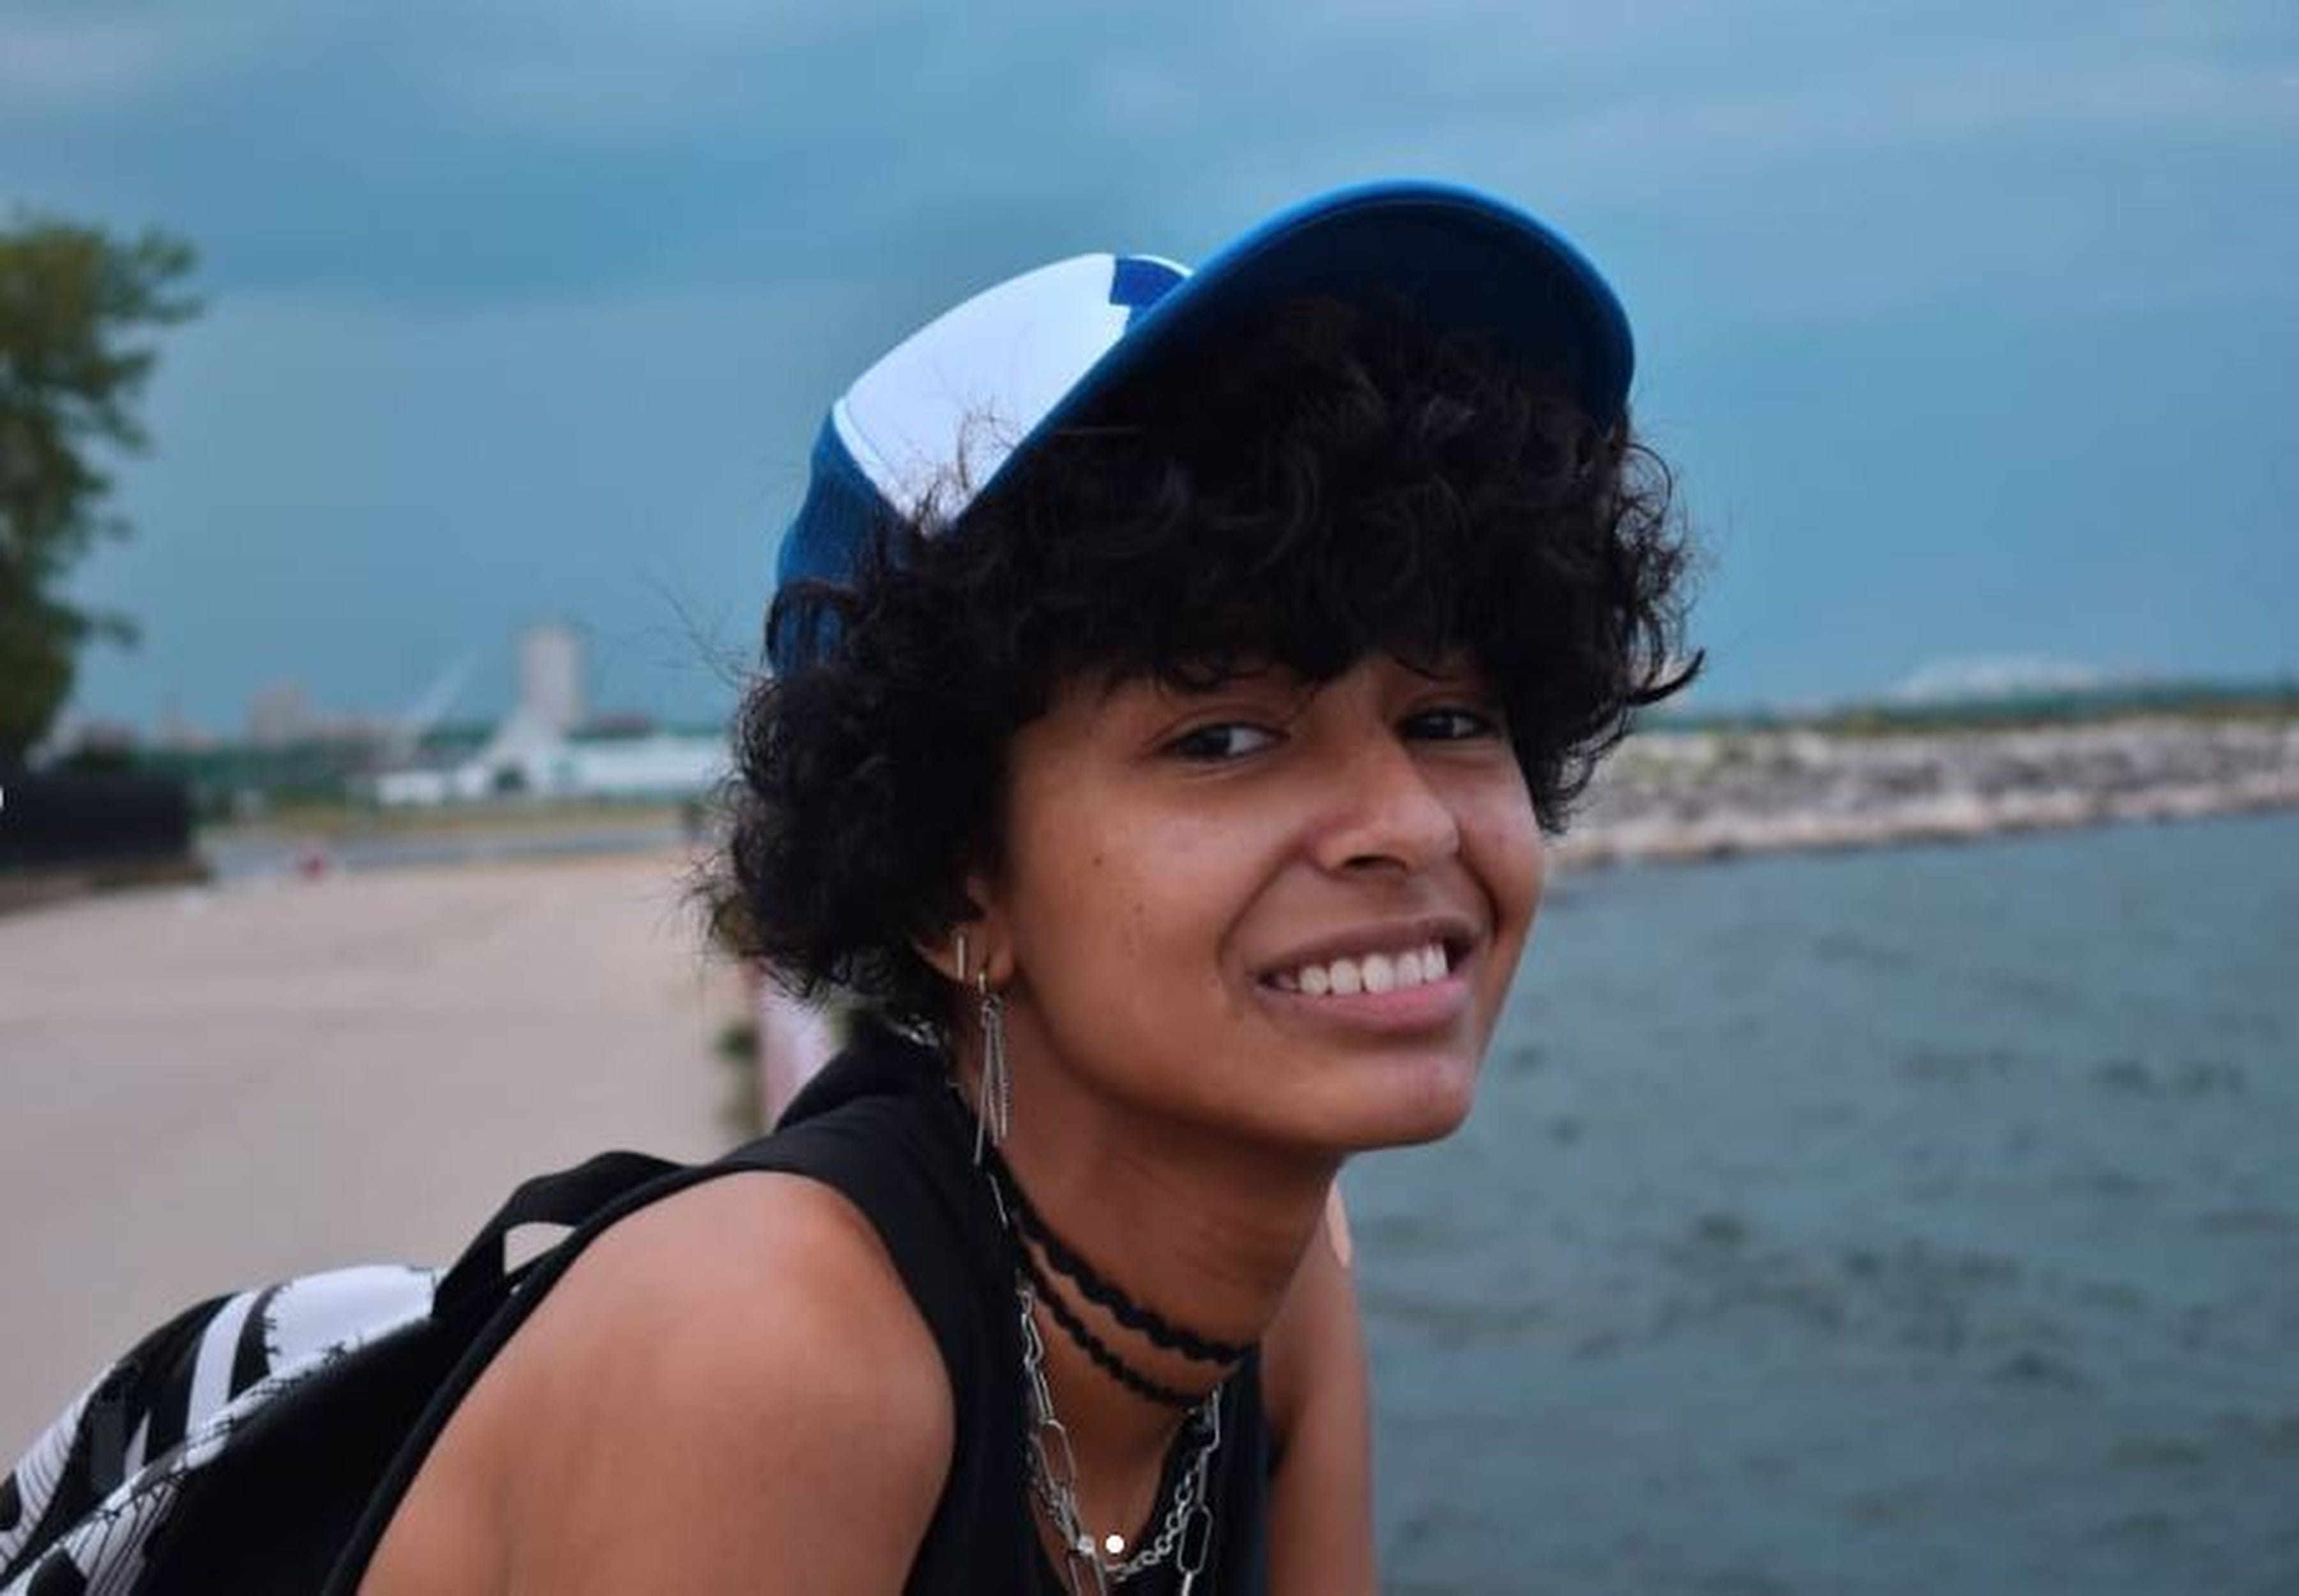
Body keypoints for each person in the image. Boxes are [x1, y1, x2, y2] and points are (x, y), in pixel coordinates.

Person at [356, 179, 1697, 1594]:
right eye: (1224, 735)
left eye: (1451, 717)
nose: (1406, 820)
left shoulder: (1276, 1292)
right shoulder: (767, 1355)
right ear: (953, 885)